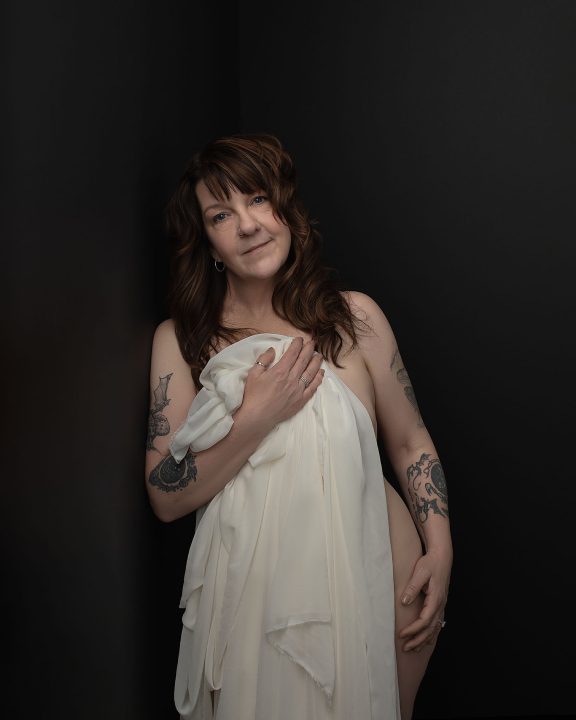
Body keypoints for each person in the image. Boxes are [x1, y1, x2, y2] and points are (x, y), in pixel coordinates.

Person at [145, 134, 452, 720]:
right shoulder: (182, 342)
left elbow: (411, 442)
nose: (248, 225)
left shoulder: (353, 318)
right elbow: (164, 494)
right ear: (207, 241)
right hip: (255, 610)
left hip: (384, 589)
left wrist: (441, 548)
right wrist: (257, 417)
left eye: (258, 200)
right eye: (220, 214)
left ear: (285, 209)